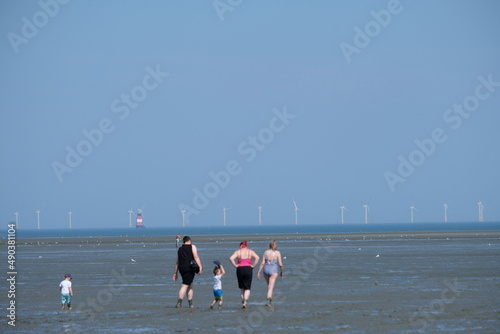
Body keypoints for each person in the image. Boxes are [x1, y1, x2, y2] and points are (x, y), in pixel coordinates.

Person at [173, 236, 203, 308]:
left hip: (182, 269)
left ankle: (190, 304)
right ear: (189, 240)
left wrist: (175, 272)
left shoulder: (180, 249)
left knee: (189, 285)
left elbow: (177, 262)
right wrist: (200, 267)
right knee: (185, 285)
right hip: (189, 268)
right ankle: (179, 303)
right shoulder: (192, 247)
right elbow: (196, 257)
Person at [229, 241, 260, 308]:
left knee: (242, 288)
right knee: (247, 288)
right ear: (246, 246)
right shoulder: (250, 252)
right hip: (248, 269)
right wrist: (253, 265)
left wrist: (235, 265)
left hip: (240, 269)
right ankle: (245, 302)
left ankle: (243, 301)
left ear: (241, 246)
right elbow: (257, 258)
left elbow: (231, 258)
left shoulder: (238, 252)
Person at [257, 240, 284, 306]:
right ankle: (269, 301)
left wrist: (259, 272)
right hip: (273, 270)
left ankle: (269, 299)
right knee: (271, 287)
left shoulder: (266, 252)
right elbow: (280, 264)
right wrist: (282, 271)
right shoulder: (277, 253)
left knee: (269, 286)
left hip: (266, 270)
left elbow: (262, 263)